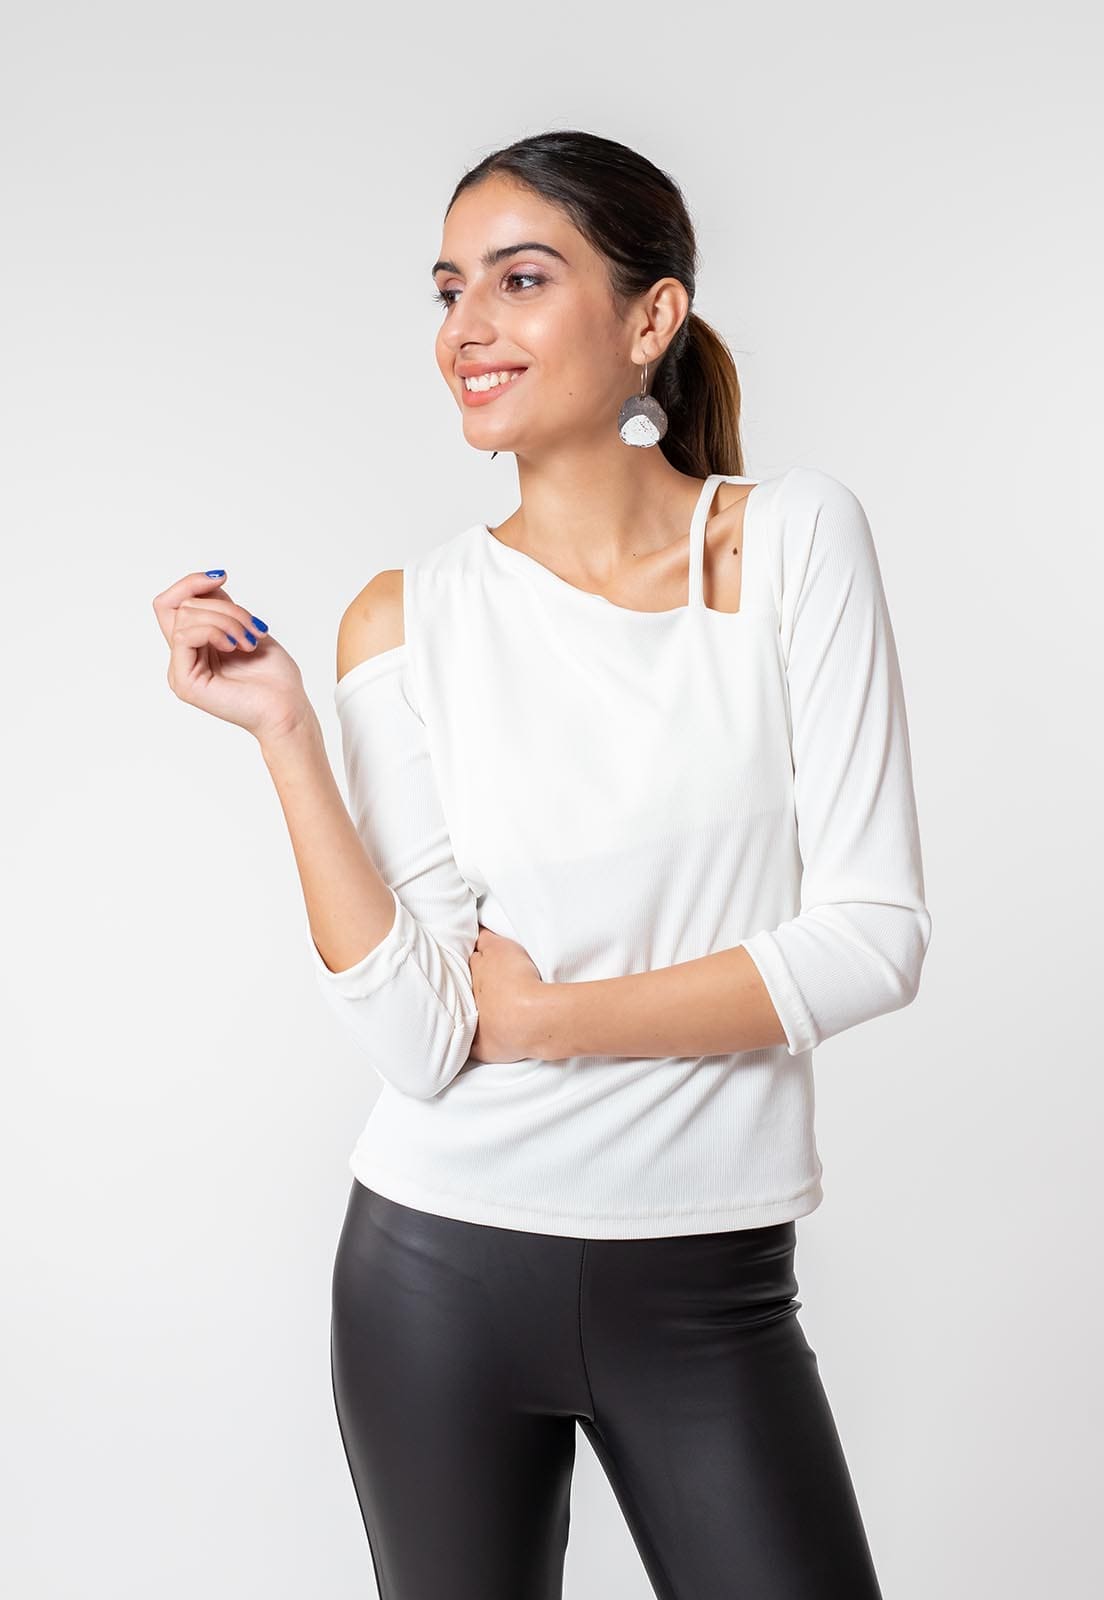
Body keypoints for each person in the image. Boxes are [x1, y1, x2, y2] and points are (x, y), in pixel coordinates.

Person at [154, 129, 931, 1600]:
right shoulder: (406, 616)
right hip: (434, 1277)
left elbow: (875, 936)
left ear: (652, 317)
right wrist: (286, 735)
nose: (468, 326)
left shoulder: (789, 542)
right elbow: (422, 1036)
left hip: (709, 1286)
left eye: (521, 279)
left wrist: (553, 1020)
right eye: (449, 288)